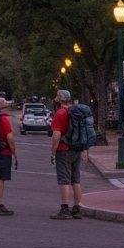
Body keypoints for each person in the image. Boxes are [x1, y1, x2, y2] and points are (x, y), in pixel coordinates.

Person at [48, 89, 82, 219]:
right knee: (76, 180)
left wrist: (53, 151)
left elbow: (56, 134)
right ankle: (77, 208)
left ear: (60, 99)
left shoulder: (60, 113)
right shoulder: (76, 112)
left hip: (63, 149)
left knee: (64, 180)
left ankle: (65, 208)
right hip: (76, 149)